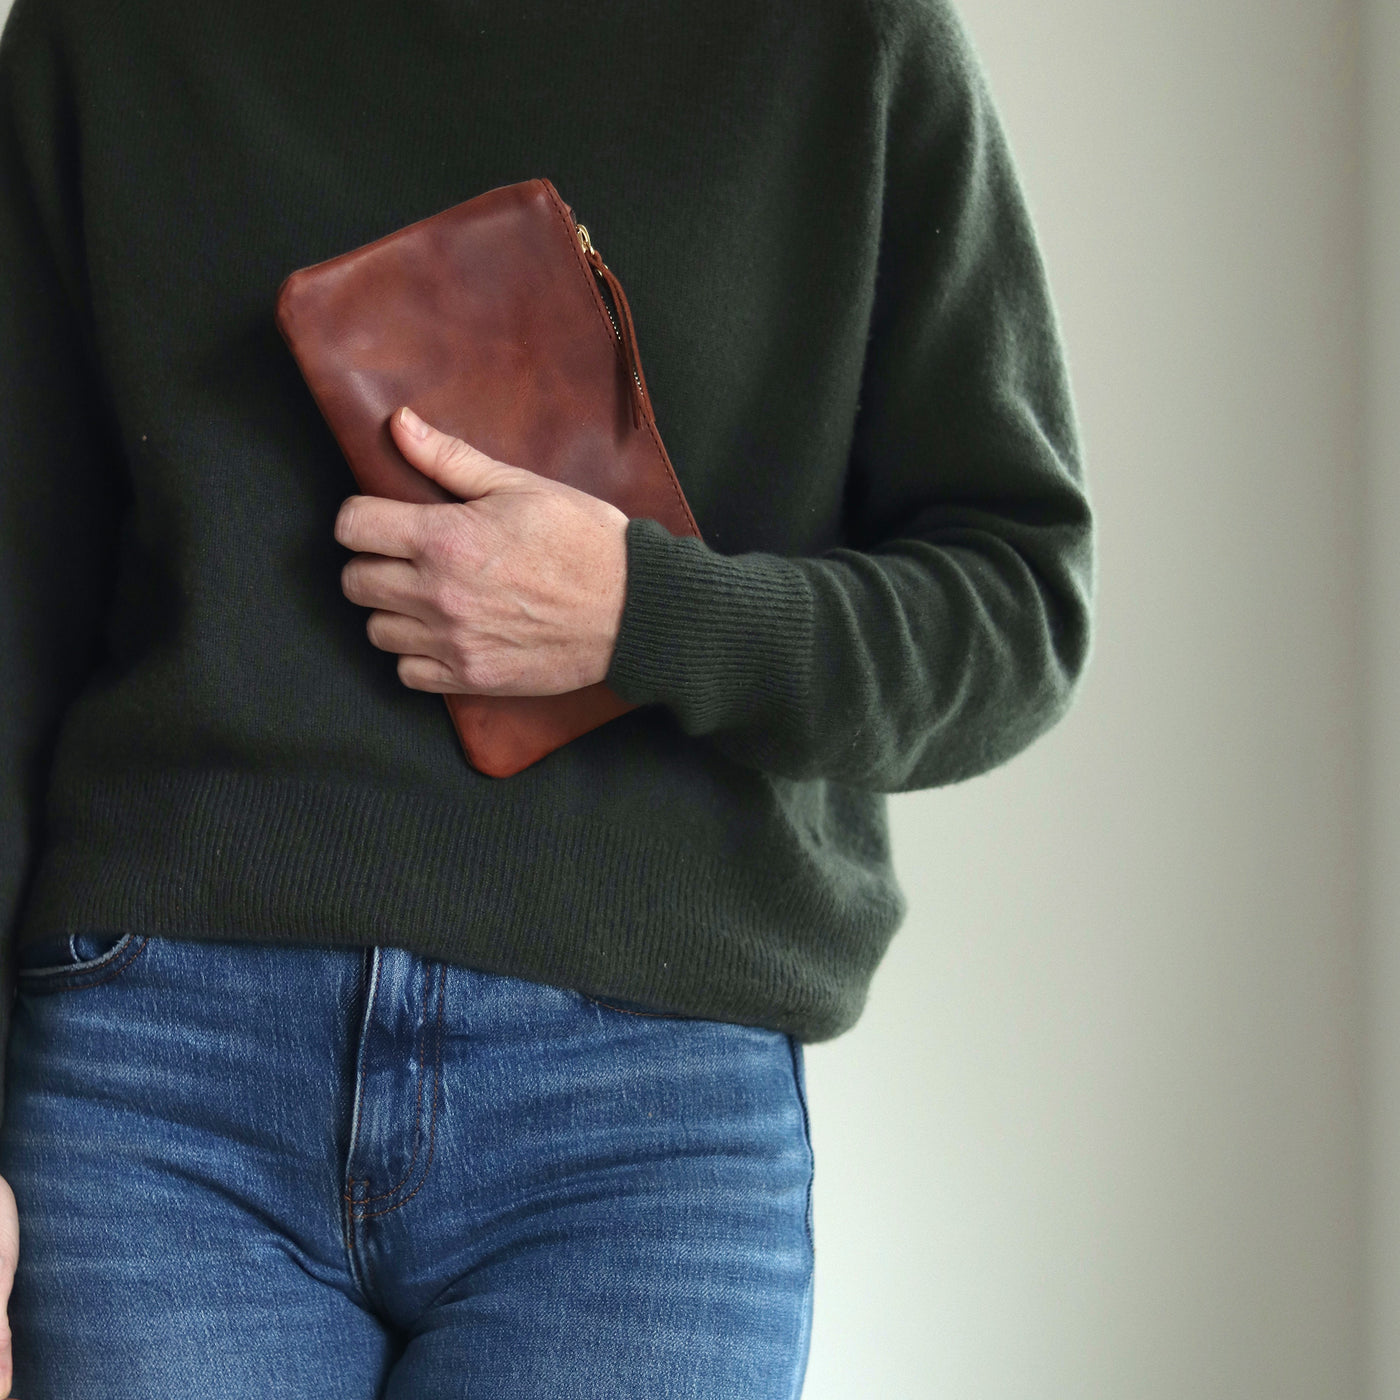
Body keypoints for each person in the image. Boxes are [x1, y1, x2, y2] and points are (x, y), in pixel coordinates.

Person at [0, 0, 1095, 1394]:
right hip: (162, 1090)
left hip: (640, 1121)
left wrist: (643, 611)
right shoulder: (108, 34)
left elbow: (1019, 610)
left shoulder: (846, 39)